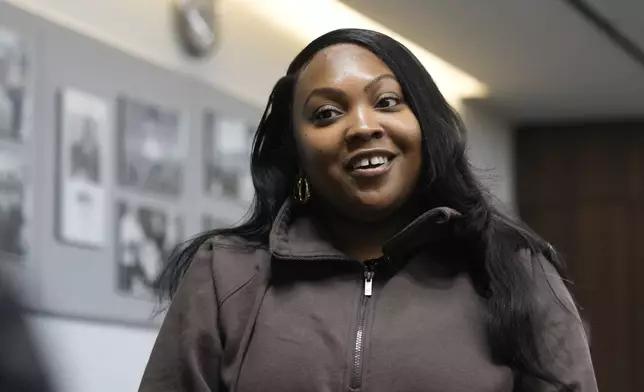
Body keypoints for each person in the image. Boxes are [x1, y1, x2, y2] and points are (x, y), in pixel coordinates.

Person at [139, 28, 597, 392]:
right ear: (296, 151)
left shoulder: (515, 272)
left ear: (426, 125)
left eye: (387, 102)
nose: (361, 126)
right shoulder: (225, 274)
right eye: (326, 114)